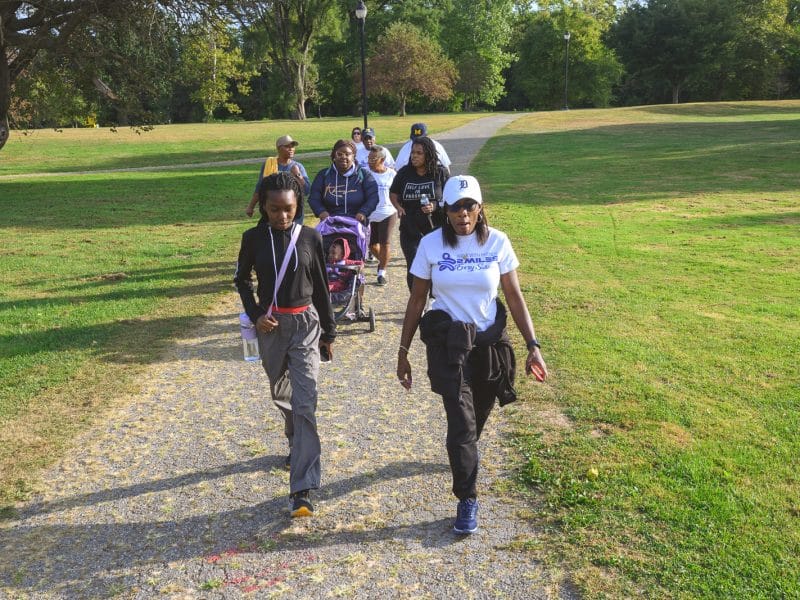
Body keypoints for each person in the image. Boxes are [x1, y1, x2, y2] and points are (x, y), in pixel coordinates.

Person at [396, 175, 548, 535]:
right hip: (448, 346)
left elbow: (513, 296)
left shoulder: (498, 242)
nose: (463, 213)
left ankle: (463, 452)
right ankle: (467, 497)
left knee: (477, 416)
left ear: (480, 209)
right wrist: (402, 351)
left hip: (488, 344)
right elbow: (418, 299)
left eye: (470, 206)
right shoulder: (431, 245)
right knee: (461, 423)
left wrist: (533, 346)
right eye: (455, 207)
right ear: (445, 211)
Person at [234, 171, 336, 518]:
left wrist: (329, 332)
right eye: (275, 209)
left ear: (298, 206)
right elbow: (242, 279)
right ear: (263, 206)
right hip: (271, 327)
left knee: (306, 402)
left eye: (288, 209)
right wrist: (257, 313)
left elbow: (322, 286)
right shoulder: (252, 238)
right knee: (282, 394)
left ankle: (302, 490)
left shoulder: (309, 238)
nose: (282, 216)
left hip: (306, 323)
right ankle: (294, 439)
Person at [389, 136, 449, 290]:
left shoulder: (440, 173)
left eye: (419, 153)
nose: (414, 156)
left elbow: (450, 198)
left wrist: (435, 205)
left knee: (436, 265)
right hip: (410, 229)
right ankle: (417, 301)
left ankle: (433, 300)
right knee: (414, 265)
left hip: (435, 228)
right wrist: (398, 206)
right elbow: (393, 193)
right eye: (413, 152)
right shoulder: (404, 173)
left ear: (428, 154)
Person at [309, 139, 379, 223]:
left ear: (353, 156)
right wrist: (321, 212)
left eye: (347, 154)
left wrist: (363, 212)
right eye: (339, 154)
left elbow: (373, 197)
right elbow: (314, 198)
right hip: (330, 223)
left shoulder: (364, 174)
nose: (343, 157)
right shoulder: (323, 175)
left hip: (357, 223)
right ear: (334, 156)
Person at [246, 135, 311, 221]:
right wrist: (251, 207)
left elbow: (307, 191)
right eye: (287, 146)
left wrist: (298, 175)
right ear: (279, 148)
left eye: (292, 146)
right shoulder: (269, 164)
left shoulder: (298, 166)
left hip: (292, 212)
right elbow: (260, 187)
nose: (291, 149)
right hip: (273, 210)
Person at [366, 145, 397, 285]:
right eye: (369, 158)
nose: (370, 161)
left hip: (388, 212)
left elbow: (397, 193)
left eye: (373, 159)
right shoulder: (365, 173)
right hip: (371, 213)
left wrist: (400, 207)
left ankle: (381, 272)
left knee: (385, 242)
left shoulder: (392, 174)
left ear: (382, 159)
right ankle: (384, 260)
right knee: (372, 246)